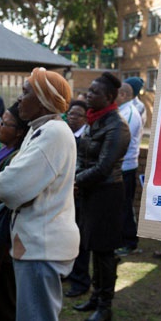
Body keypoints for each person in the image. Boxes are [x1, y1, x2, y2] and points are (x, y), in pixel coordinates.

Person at [0, 67, 80, 321]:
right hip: (35, 244)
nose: (19, 98)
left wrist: (9, 177)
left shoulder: (53, 133)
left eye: (25, 92)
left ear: (43, 101)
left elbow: (8, 188)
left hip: (42, 246)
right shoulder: (40, 128)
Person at [72, 72, 130, 321]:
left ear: (108, 97)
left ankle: (105, 307)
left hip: (107, 194)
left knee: (105, 253)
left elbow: (104, 166)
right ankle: (95, 297)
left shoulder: (117, 126)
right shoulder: (94, 121)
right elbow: (83, 157)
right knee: (93, 248)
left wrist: (75, 181)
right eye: (88, 91)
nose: (88, 95)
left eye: (94, 92)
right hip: (90, 193)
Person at [0, 102, 29, 321]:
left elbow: (4, 195)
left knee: (2, 301)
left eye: (4, 123)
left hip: (2, 240)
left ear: (19, 132)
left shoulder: (17, 158)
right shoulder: (4, 152)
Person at [65, 99, 91, 297]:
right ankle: (69, 271)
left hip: (82, 193)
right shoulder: (66, 136)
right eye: (70, 114)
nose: (72, 118)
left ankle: (81, 280)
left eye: (77, 115)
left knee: (80, 239)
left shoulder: (87, 138)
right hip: (67, 194)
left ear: (86, 118)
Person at [115, 82, 143, 256]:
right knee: (120, 205)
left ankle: (130, 242)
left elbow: (121, 140)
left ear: (124, 95)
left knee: (125, 205)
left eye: (115, 94)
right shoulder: (122, 111)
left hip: (126, 166)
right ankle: (122, 239)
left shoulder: (130, 113)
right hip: (120, 166)